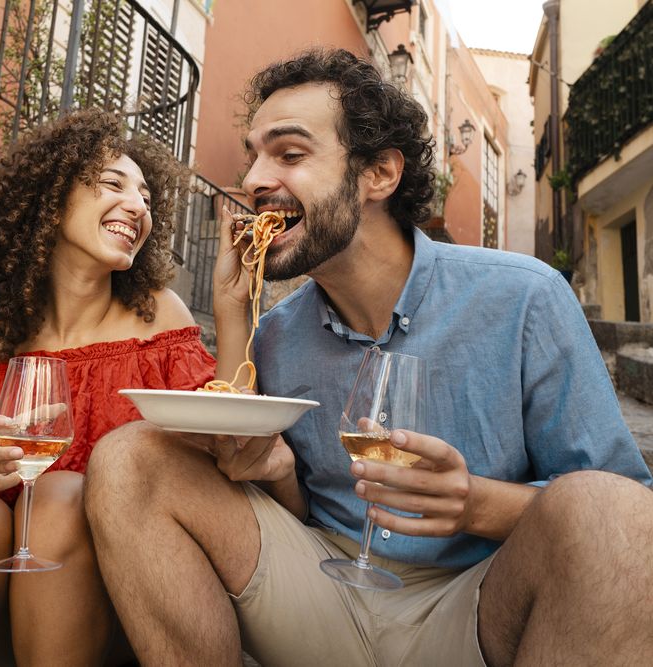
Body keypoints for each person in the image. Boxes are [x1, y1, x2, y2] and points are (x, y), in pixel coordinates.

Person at [84, 49, 653, 666]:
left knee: (612, 515)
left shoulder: (524, 298)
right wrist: (234, 320)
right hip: (320, 587)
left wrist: (476, 501)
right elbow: (281, 495)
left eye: (290, 154)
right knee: (129, 456)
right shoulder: (273, 334)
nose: (251, 180)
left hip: (478, 606)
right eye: (253, 155)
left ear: (379, 173)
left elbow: (623, 505)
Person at [0, 108, 215, 666]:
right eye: (114, 184)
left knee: (60, 495)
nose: (137, 206)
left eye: (147, 199)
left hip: (114, 599)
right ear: (50, 197)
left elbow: (202, 463)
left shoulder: (159, 320)